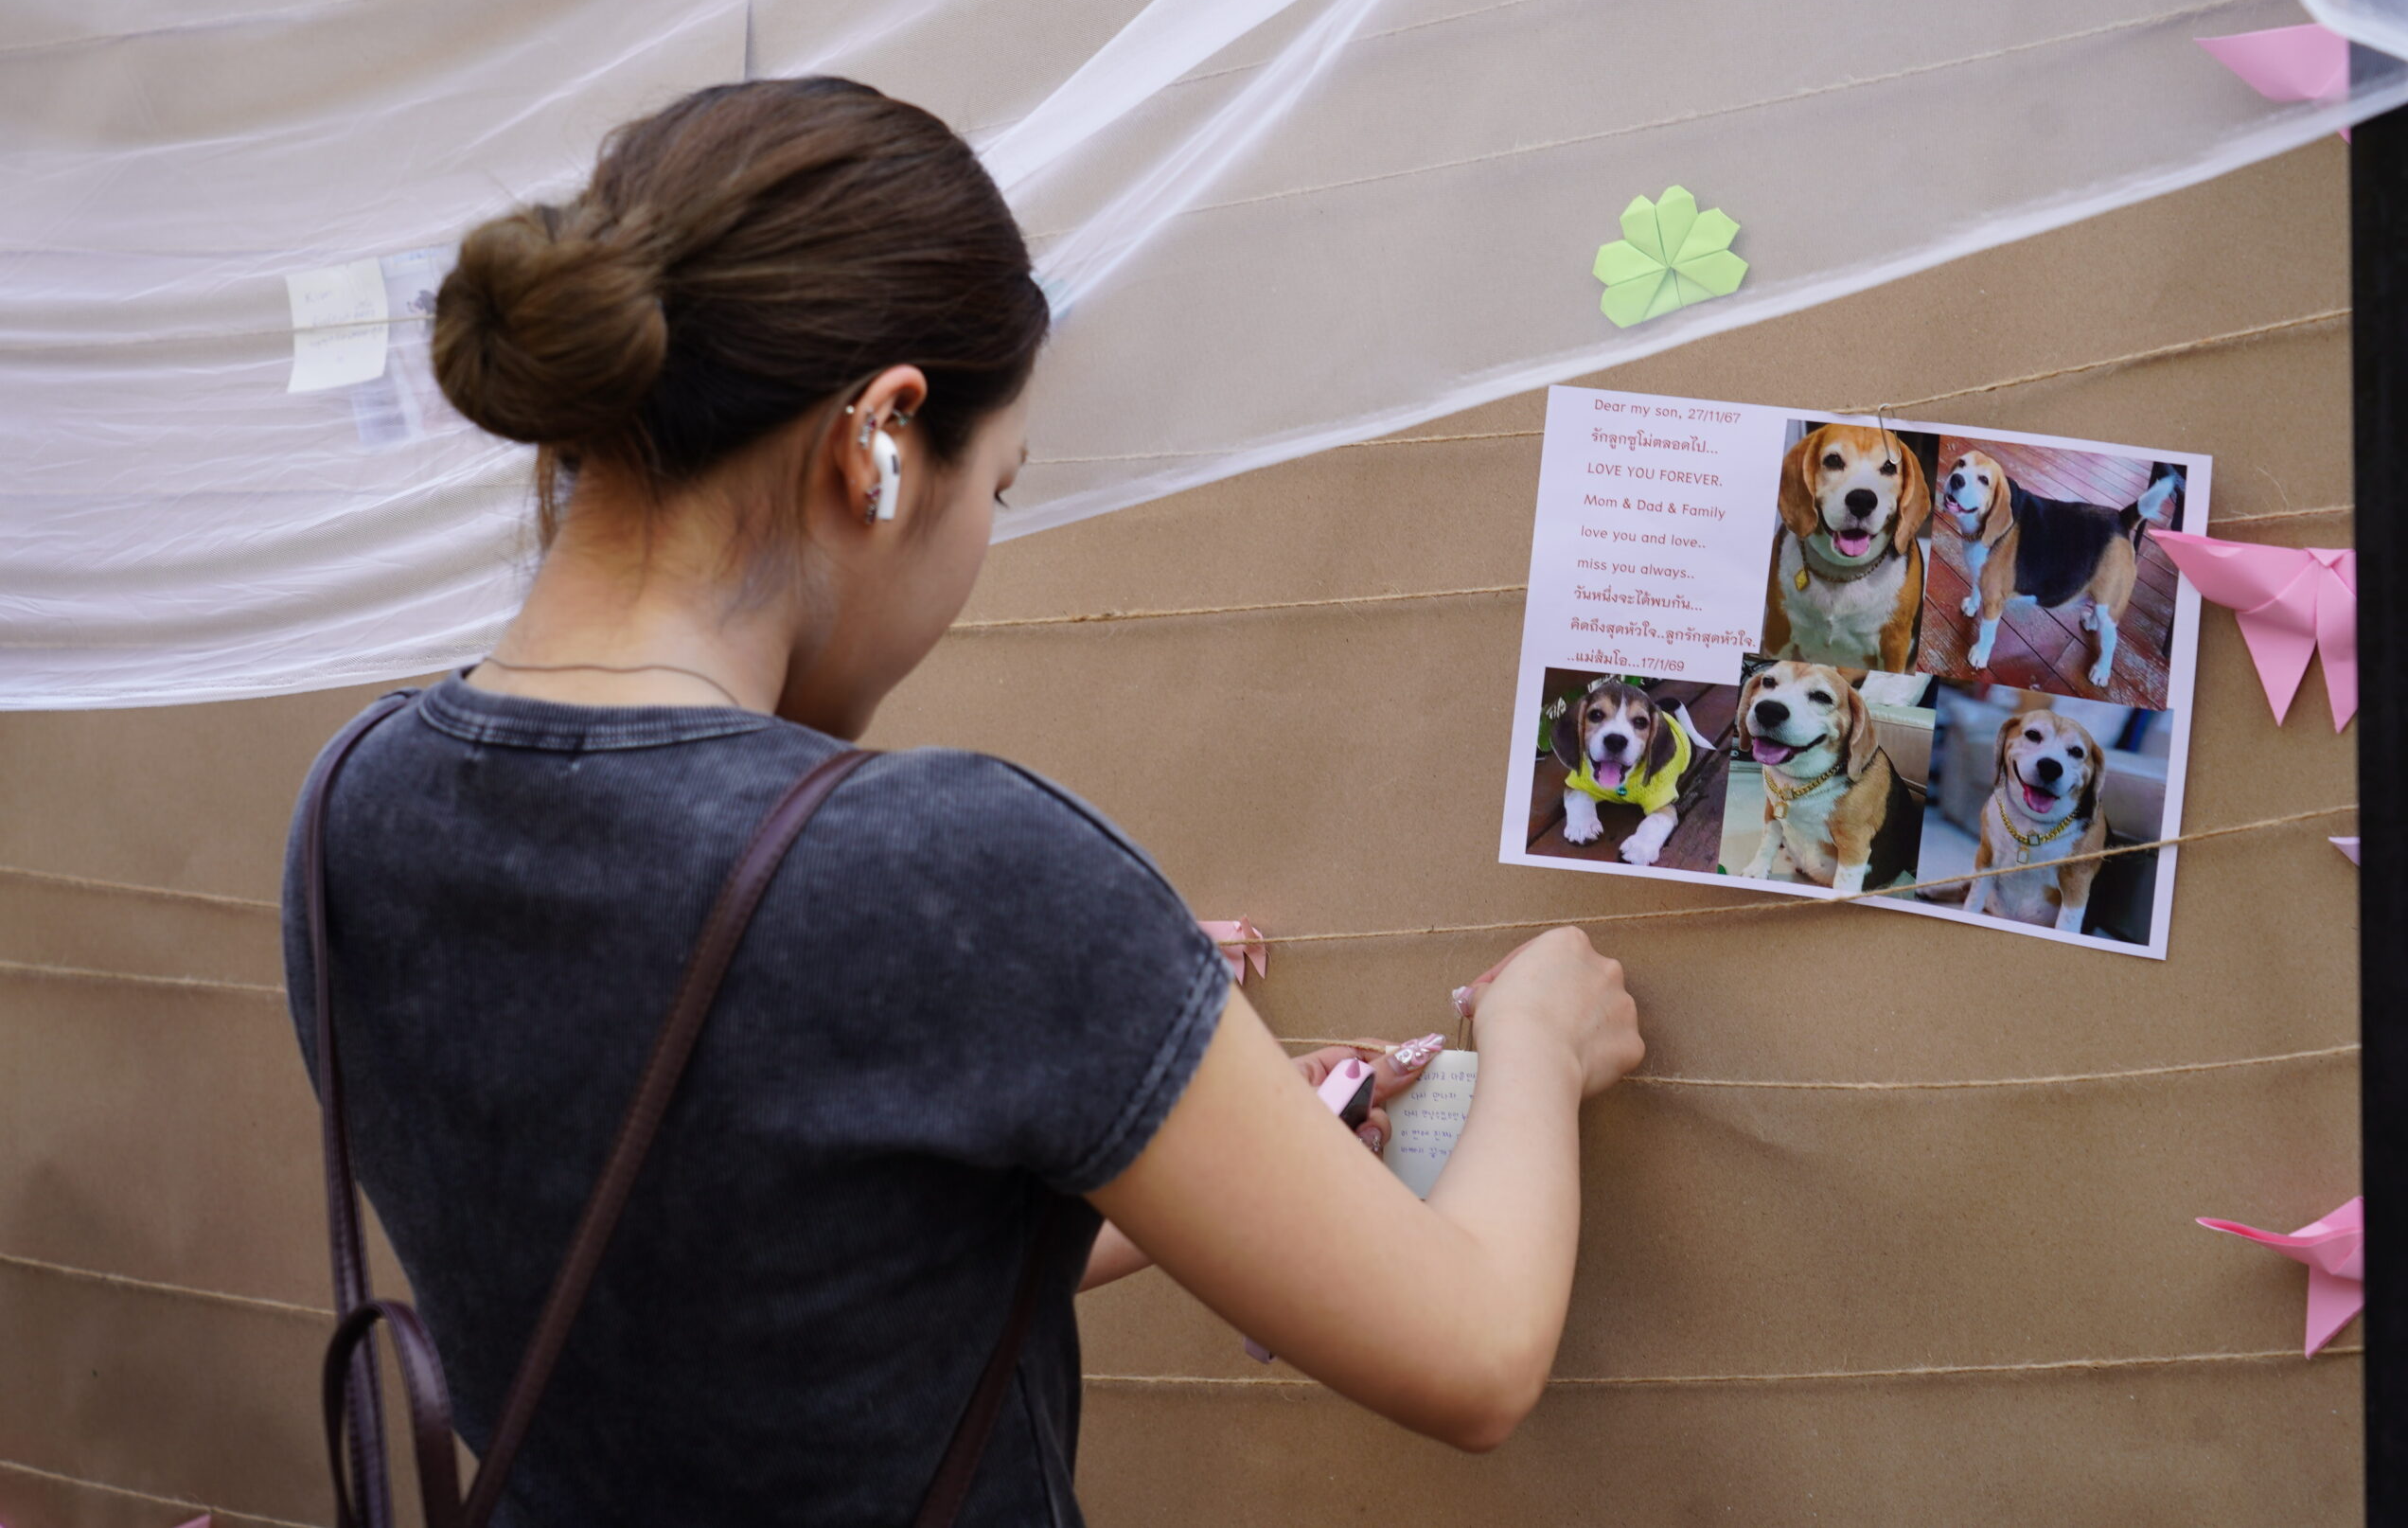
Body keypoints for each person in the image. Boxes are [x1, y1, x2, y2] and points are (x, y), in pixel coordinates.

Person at [284, 76, 1641, 1526]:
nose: (978, 547)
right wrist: (1536, 1043)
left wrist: (1186, 1143)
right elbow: (1476, 1354)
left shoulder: (356, 806)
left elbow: (767, 1274)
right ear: (879, 436)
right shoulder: (951, 870)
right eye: (997, 490)